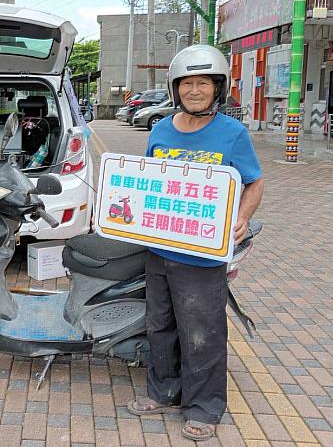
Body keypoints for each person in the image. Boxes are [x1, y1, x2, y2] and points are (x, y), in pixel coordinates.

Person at [128, 44, 265, 442]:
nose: (194, 90)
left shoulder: (233, 133)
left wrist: (242, 217)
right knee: (160, 324)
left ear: (217, 88)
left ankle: (204, 407)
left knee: (202, 332)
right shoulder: (160, 129)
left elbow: (255, 180)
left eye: (203, 83)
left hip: (203, 257)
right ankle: (163, 391)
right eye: (187, 83)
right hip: (159, 248)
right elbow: (147, 180)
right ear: (175, 88)